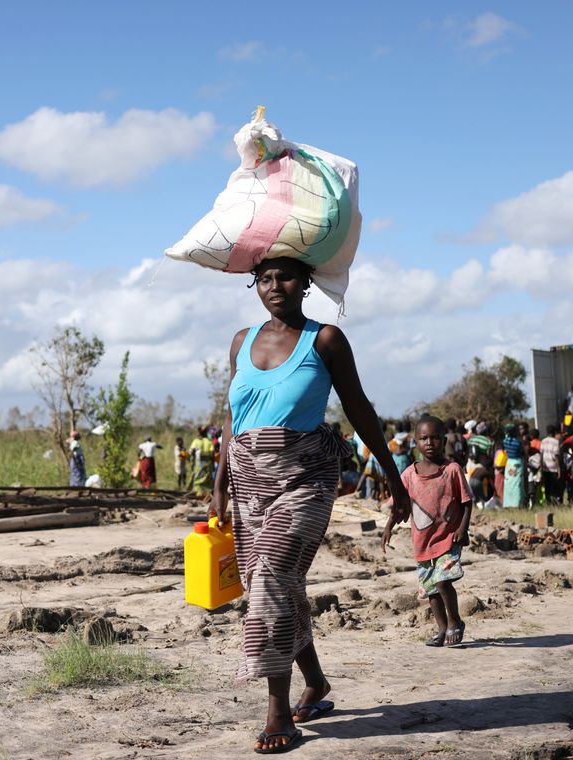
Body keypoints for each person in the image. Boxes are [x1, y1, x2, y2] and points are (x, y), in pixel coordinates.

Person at [209, 258, 408, 754]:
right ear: (257, 285)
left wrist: (392, 474)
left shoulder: (325, 340)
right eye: (267, 279)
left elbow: (358, 406)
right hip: (249, 480)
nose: (277, 287)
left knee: (272, 578)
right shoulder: (241, 340)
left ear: (307, 283)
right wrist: (219, 484)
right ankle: (315, 682)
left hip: (306, 477)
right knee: (271, 584)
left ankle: (278, 711)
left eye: (288, 276)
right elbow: (233, 417)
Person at [382, 416, 472, 647]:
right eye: (424, 438)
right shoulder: (409, 475)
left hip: (448, 538)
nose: (429, 442)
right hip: (422, 542)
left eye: (434, 437)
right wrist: (388, 526)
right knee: (430, 589)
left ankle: (455, 622)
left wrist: (463, 528)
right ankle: (442, 629)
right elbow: (400, 505)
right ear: (415, 442)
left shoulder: (452, 470)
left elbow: (466, 502)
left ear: (443, 440)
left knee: (443, 581)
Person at [501, 424, 526, 508]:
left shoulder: (505, 441)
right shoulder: (517, 442)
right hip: (517, 463)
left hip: (509, 464)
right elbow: (522, 453)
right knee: (517, 484)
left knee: (508, 484)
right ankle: (517, 503)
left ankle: (508, 503)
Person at [189, 426, 215, 496]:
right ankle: (207, 494)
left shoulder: (196, 441)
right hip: (207, 464)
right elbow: (212, 454)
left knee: (198, 478)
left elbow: (191, 452)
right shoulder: (209, 441)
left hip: (198, 465)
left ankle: (198, 493)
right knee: (207, 479)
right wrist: (212, 465)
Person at [540, 425, 562, 504]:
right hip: (553, 468)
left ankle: (548, 502)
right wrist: (559, 469)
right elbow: (556, 456)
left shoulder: (543, 441)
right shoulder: (556, 442)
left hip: (545, 467)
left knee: (547, 487)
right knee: (554, 487)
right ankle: (554, 503)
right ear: (554, 433)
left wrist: (541, 467)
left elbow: (541, 455)